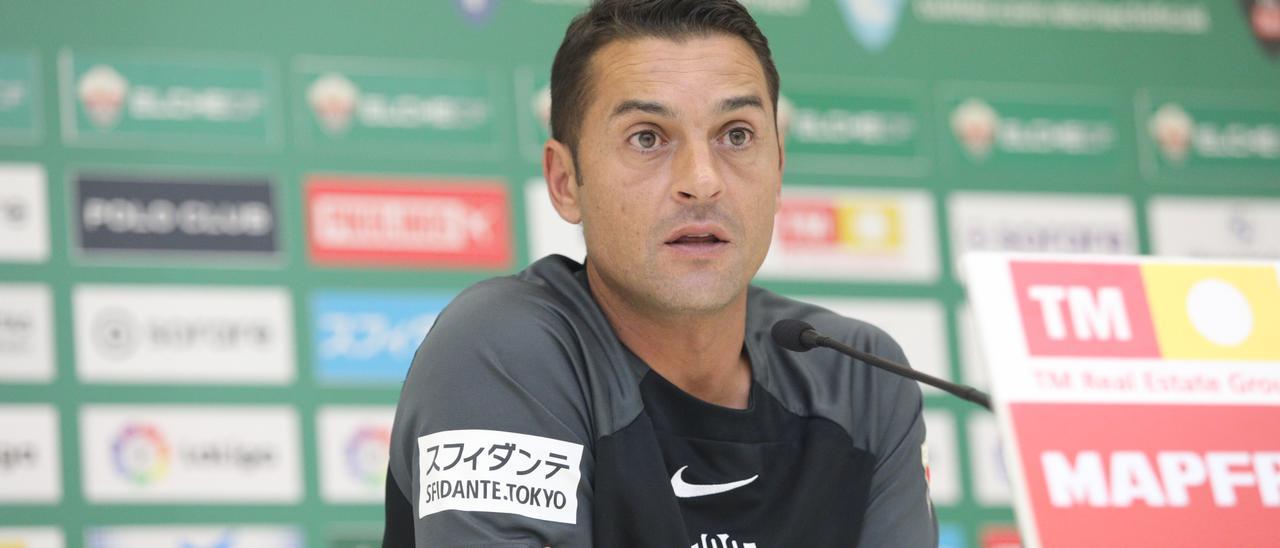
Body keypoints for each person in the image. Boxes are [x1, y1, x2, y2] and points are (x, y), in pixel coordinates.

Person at [383, 1, 937, 546]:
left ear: (779, 168)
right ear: (565, 181)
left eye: (736, 135)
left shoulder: (858, 377)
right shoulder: (503, 350)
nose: (702, 180)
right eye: (647, 137)